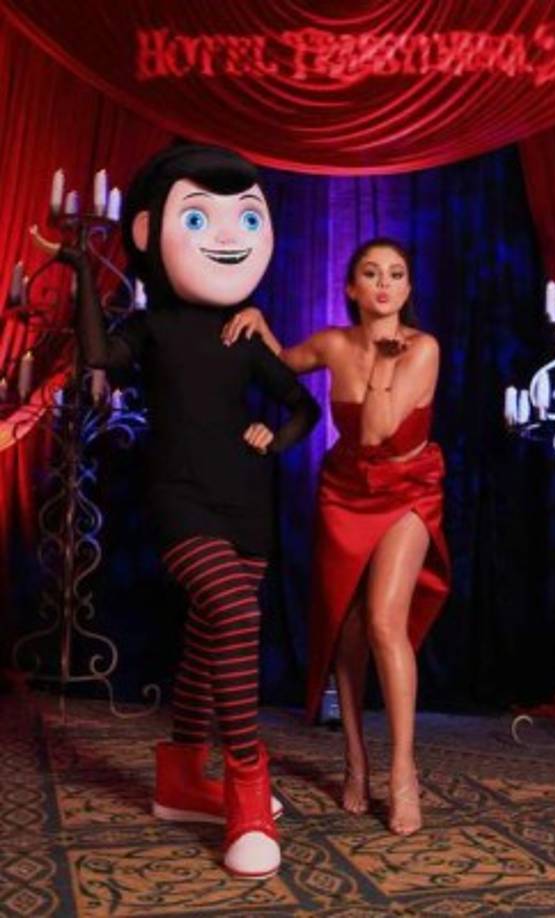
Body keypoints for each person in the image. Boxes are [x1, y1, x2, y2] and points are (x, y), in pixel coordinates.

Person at [31, 144, 320, 879]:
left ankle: (182, 780)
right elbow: (98, 356)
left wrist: (276, 437)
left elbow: (303, 406)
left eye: (244, 219)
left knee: (206, 635)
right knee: (231, 610)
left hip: (246, 500)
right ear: (147, 231)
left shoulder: (243, 332)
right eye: (198, 218)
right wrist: (81, 272)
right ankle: (247, 787)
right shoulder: (153, 326)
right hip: (179, 496)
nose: (225, 234)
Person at [222, 238, 450, 835]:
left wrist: (384, 365)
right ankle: (355, 760)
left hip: (407, 488)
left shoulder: (423, 349)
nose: (384, 284)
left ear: (408, 288)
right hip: (345, 492)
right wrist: (259, 322)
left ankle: (403, 773)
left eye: (396, 274)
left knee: (383, 623)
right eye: (371, 273)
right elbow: (281, 361)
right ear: (352, 287)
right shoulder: (333, 342)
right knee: (345, 630)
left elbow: (375, 432)